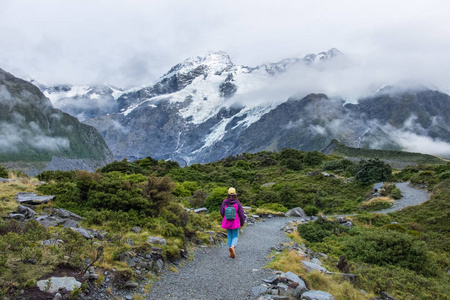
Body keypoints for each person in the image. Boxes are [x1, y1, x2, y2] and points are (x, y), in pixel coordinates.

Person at [220, 187, 246, 259]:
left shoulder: (224, 202)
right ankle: (233, 246)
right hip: (235, 222)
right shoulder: (237, 203)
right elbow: (241, 214)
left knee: (229, 236)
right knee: (235, 236)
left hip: (227, 221)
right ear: (235, 194)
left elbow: (221, 212)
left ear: (228, 194)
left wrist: (225, 218)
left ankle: (230, 251)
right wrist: (242, 222)